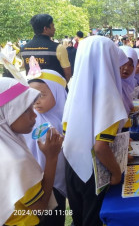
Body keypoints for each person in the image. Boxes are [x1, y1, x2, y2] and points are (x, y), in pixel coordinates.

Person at [62, 36, 128, 226]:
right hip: (94, 172)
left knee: (79, 218)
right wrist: (116, 173)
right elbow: (100, 147)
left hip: (72, 165)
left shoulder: (75, 88)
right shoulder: (107, 93)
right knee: (92, 220)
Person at [0, 77, 63, 226]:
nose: (34, 115)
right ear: (7, 113)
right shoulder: (16, 160)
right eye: (26, 110)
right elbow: (40, 208)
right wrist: (52, 158)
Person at [24, 69, 67, 225]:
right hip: (35, 183)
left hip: (56, 180)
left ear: (58, 92)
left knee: (56, 216)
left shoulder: (65, 120)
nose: (35, 101)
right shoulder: (28, 120)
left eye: (41, 95)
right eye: (31, 95)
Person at [21, 14, 72, 82]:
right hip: (54, 90)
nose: (54, 29)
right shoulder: (58, 48)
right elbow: (67, 73)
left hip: (34, 90)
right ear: (45, 28)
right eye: (53, 26)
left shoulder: (24, 49)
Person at [119, 46, 137, 113]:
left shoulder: (130, 83)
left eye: (131, 65)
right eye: (123, 63)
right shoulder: (113, 85)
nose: (126, 68)